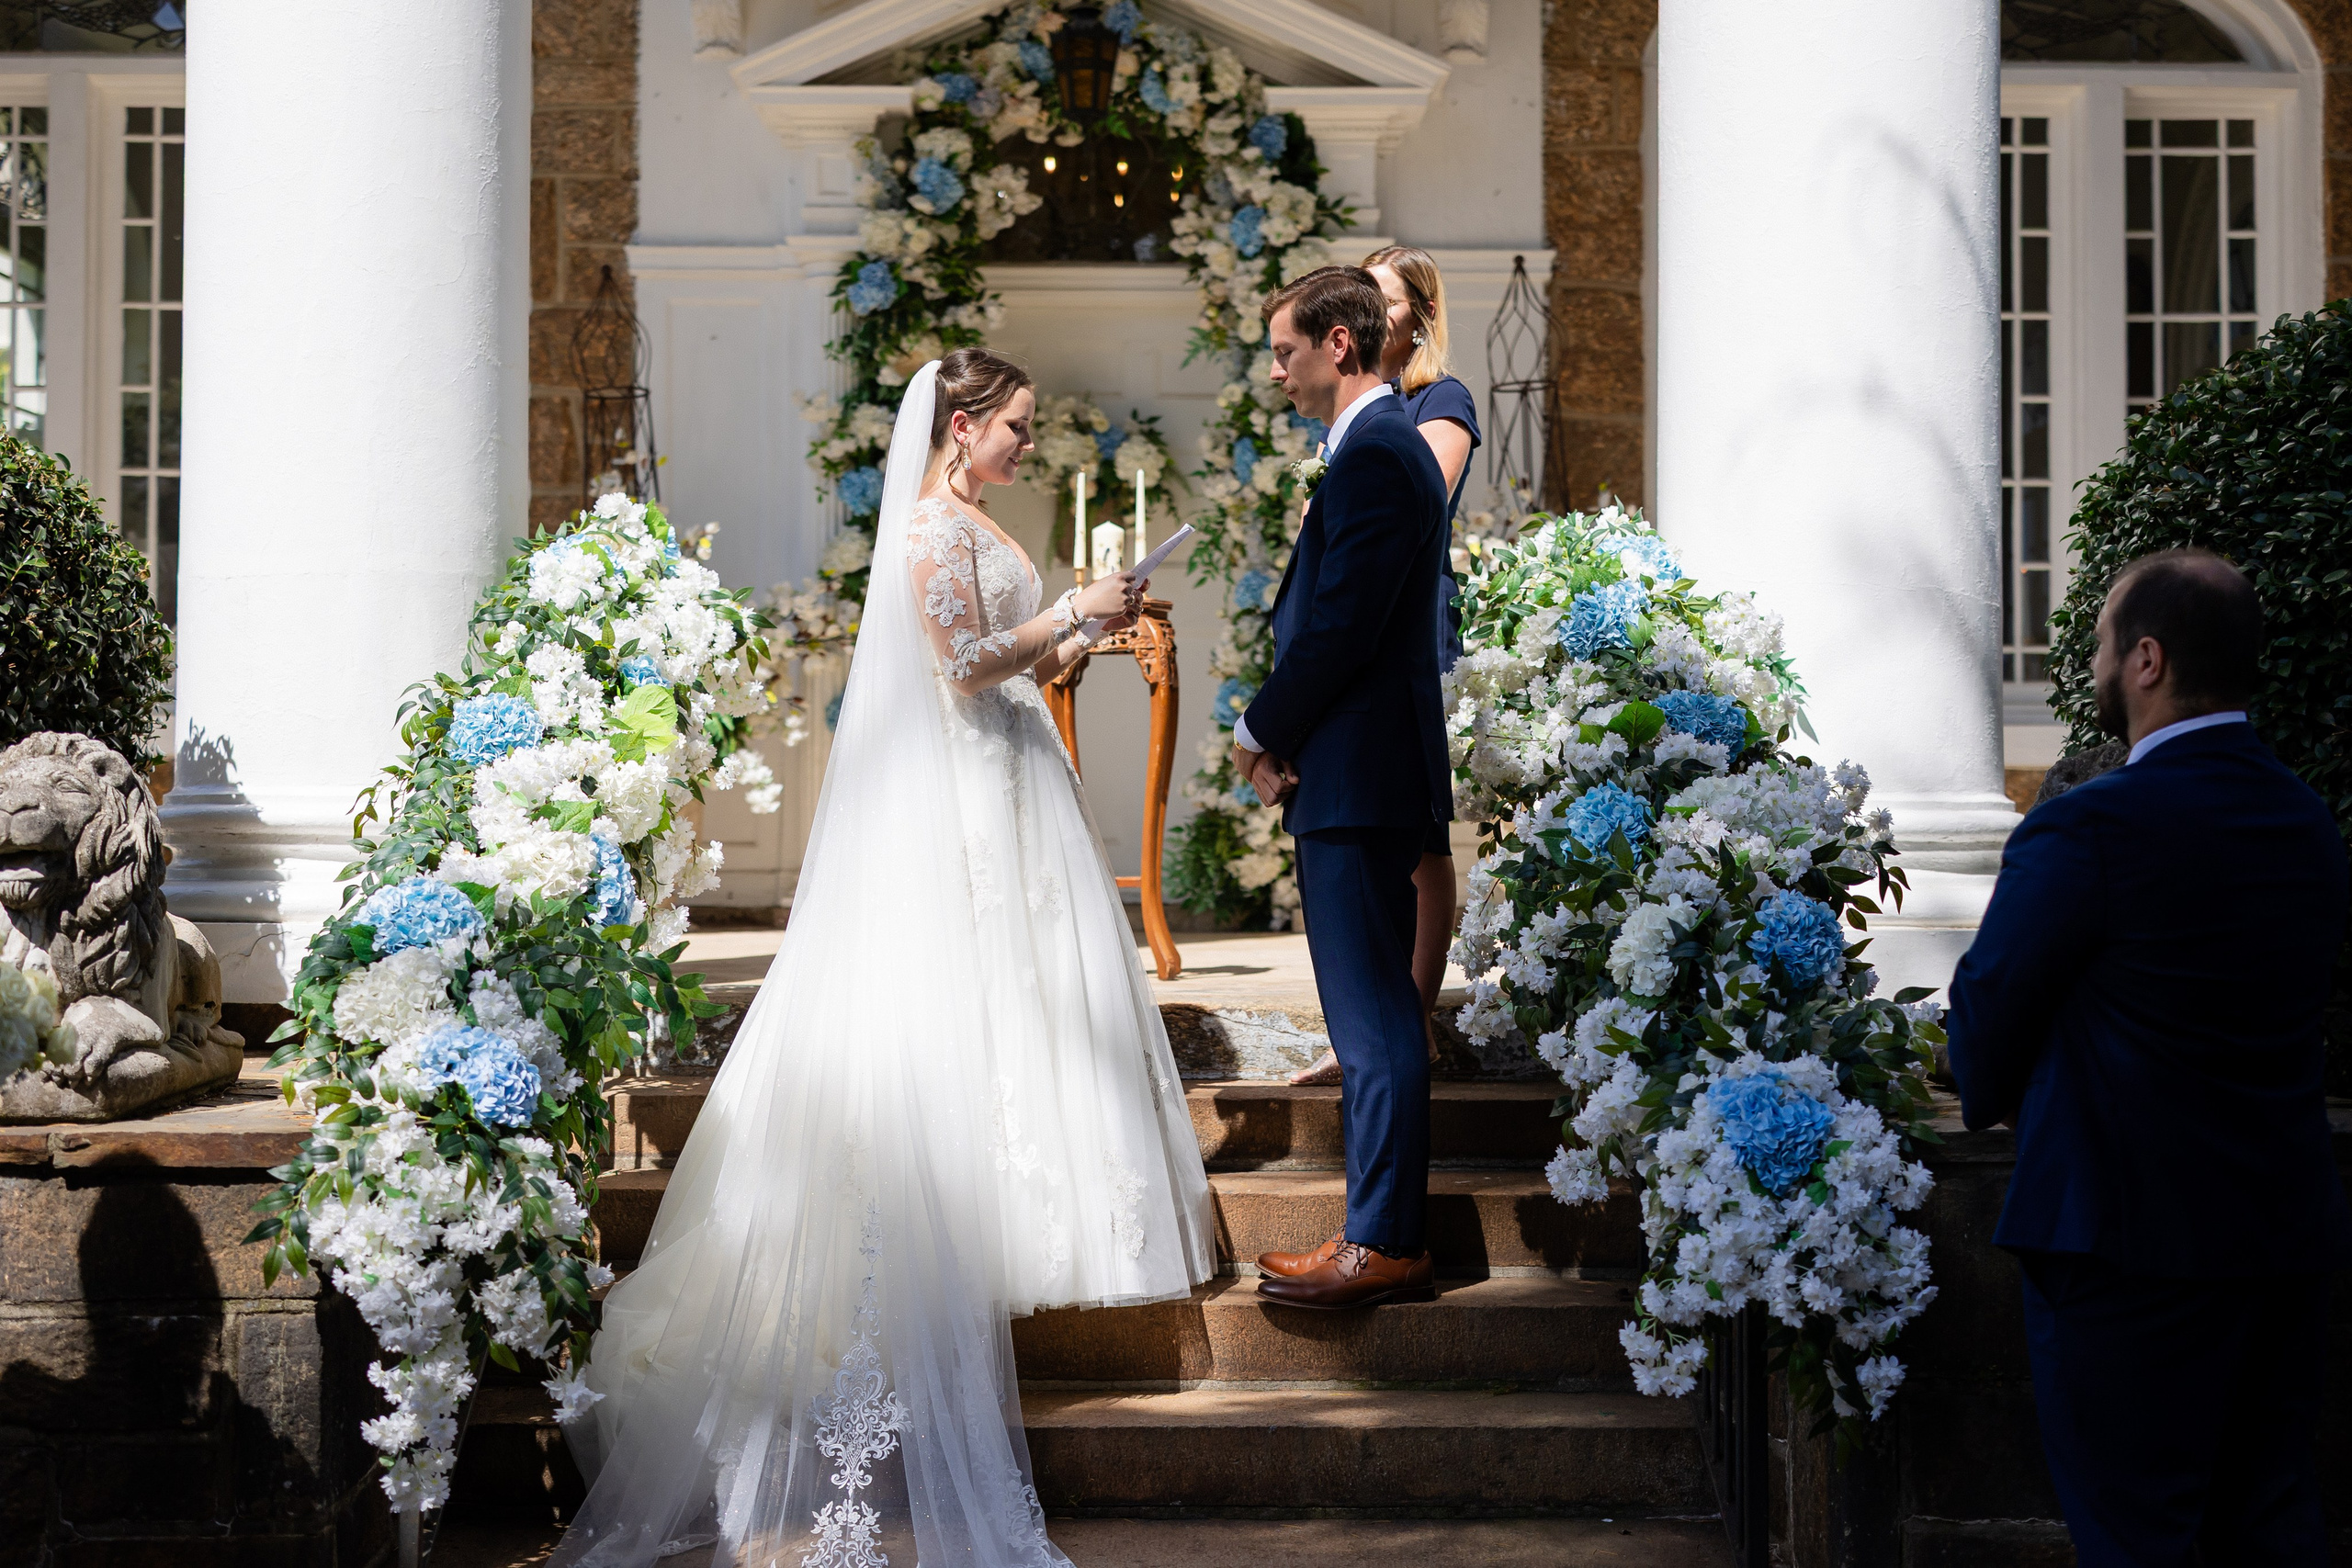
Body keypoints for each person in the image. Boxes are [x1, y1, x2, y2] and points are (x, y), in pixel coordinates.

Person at [552, 350, 1216, 1567]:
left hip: (1014, 779)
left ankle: (1023, 1225)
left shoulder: (975, 519)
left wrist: (1076, 631)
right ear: (960, 426)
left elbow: (1004, 661)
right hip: (961, 798)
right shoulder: (926, 531)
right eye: (1015, 426)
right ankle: (944, 1236)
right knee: (959, 1009)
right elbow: (959, 665)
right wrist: (1074, 612)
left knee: (1028, 1008)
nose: (1029, 443)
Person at [1946, 547, 2350, 1565]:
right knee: (2269, 1523)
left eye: (2097, 644)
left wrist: (1986, 1092)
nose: (2089, 664)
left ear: (2147, 661)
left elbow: (1990, 1007)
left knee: (2136, 1538)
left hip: (2122, 1253)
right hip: (2281, 1238)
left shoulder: (2089, 826)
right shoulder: (2307, 821)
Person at [1230, 266, 1453, 1309]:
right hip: (1352, 763)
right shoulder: (1369, 451)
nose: (1273, 371)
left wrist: (1258, 727)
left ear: (1339, 346)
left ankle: (1384, 1242)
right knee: (1369, 1019)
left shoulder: (1375, 455)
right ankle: (1378, 1231)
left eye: (1284, 350)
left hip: (1360, 772)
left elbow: (1341, 629)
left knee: (1370, 1025)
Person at [1288, 245, 1481, 1089]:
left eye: (1386, 296)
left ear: (1417, 314)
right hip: (1363, 608)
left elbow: (1419, 503)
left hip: (1406, 617)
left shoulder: (1434, 405)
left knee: (1414, 833)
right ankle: (1379, 1024)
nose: (1374, 307)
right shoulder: (1362, 415)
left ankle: (1411, 1010)